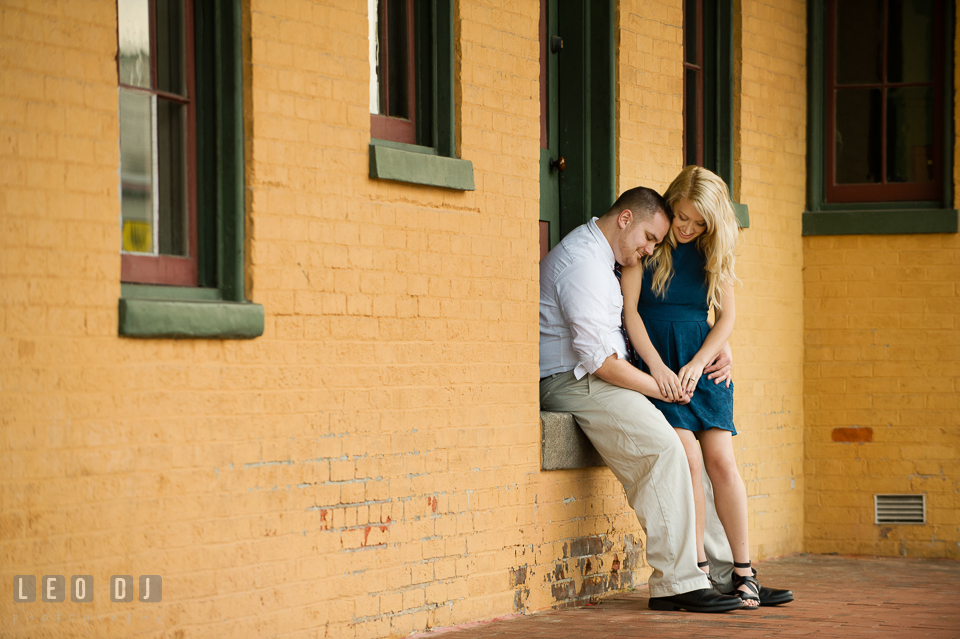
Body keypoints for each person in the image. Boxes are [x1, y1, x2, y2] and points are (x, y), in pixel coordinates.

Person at [539, 186, 744, 612]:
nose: (652, 249)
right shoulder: (582, 265)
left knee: (701, 456)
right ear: (625, 219)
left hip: (605, 374)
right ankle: (680, 583)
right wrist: (663, 387)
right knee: (665, 448)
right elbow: (600, 363)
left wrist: (717, 346)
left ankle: (725, 574)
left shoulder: (607, 256)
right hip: (574, 380)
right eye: (650, 238)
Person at [618, 166, 793, 607]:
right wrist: (657, 367)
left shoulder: (715, 251)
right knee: (688, 458)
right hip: (659, 365)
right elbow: (631, 313)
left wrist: (700, 362)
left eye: (699, 224)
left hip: (702, 365)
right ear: (671, 204)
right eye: (683, 218)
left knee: (722, 461)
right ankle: (696, 572)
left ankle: (742, 570)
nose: (689, 229)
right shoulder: (650, 245)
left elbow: (726, 318)